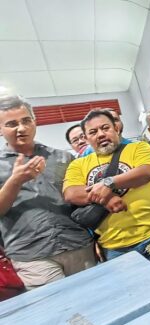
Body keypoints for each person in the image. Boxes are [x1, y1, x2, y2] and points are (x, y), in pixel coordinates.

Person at [0, 94, 95, 290]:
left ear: (35, 121)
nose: (21, 128)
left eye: (26, 120)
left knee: (97, 301)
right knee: (61, 315)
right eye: (11, 123)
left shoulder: (63, 157)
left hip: (78, 244)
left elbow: (80, 198)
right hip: (32, 256)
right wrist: (15, 181)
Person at [63, 109, 150, 260]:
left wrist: (109, 183)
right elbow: (71, 193)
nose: (101, 134)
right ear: (87, 138)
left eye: (105, 128)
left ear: (116, 129)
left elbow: (148, 171)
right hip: (115, 247)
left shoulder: (138, 147)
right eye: (93, 132)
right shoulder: (78, 164)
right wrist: (107, 198)